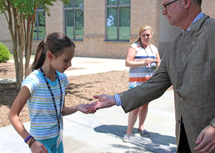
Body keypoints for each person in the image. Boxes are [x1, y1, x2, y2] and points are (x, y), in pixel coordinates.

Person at [89, 0, 215, 152]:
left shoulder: (212, 33)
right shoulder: (175, 45)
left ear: (186, 2)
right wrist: (115, 99)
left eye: (165, 6)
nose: (163, 12)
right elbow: (155, 84)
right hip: (184, 138)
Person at [8, 32, 96, 153]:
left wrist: (77, 107)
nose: (70, 65)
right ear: (50, 56)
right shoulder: (33, 82)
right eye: (66, 60)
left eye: (71, 60)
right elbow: (12, 115)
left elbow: (60, 111)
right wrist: (31, 142)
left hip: (58, 140)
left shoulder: (62, 79)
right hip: (40, 144)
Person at [122, 25, 161, 142]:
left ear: (151, 35)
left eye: (148, 35)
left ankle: (141, 128)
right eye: (143, 35)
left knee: (145, 105)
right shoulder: (134, 47)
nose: (146, 37)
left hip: (148, 82)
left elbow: (159, 62)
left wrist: (156, 64)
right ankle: (128, 133)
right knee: (135, 107)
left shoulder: (154, 49)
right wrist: (144, 62)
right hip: (136, 83)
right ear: (140, 36)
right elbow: (127, 63)